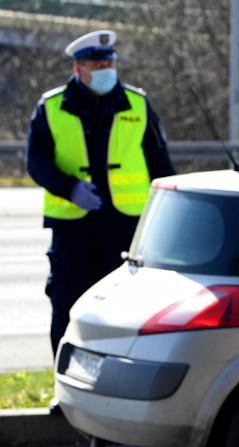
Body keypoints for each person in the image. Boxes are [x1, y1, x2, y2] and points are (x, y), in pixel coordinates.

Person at [25, 29, 175, 362]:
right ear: (78, 68)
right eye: (97, 63)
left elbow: (160, 164)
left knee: (127, 310)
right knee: (67, 305)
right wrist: (69, 188)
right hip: (73, 228)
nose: (106, 68)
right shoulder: (51, 107)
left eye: (109, 62)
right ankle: (66, 383)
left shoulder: (137, 103)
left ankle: (118, 382)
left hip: (126, 226)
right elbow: (36, 162)